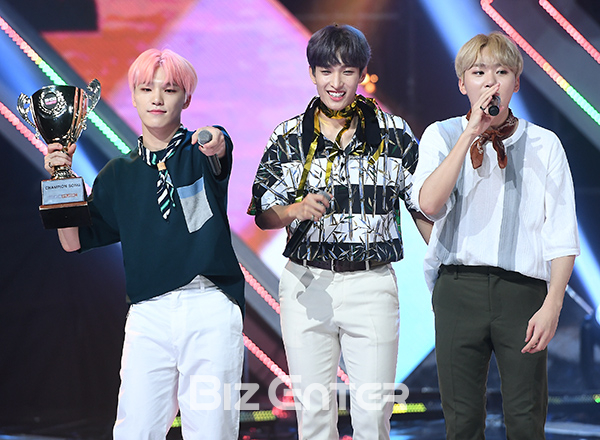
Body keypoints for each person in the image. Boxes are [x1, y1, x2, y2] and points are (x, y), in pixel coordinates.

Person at [43, 48, 245, 439]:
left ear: (186, 99)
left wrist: (215, 139)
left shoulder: (199, 153)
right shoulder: (117, 174)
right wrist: (59, 180)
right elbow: (72, 241)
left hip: (209, 304)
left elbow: (218, 144)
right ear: (133, 97)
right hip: (148, 314)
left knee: (212, 429)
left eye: (169, 90)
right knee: (134, 430)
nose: (157, 98)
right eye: (146, 89)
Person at [249, 24, 431, 440]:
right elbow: (263, 214)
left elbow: (421, 205)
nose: (336, 82)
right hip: (307, 284)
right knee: (314, 417)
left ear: (362, 74)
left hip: (372, 284)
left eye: (347, 71)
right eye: (326, 71)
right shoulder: (288, 136)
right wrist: (294, 210)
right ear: (312, 74)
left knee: (373, 418)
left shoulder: (393, 133)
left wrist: (446, 263)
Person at [411, 32, 580, 439]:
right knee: (462, 420)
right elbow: (428, 204)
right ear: (462, 84)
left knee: (525, 418)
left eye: (501, 72)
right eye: (479, 72)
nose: (490, 82)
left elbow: (561, 232)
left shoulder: (544, 144)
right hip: (458, 289)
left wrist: (553, 304)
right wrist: (470, 134)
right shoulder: (441, 135)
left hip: (522, 294)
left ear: (516, 82)